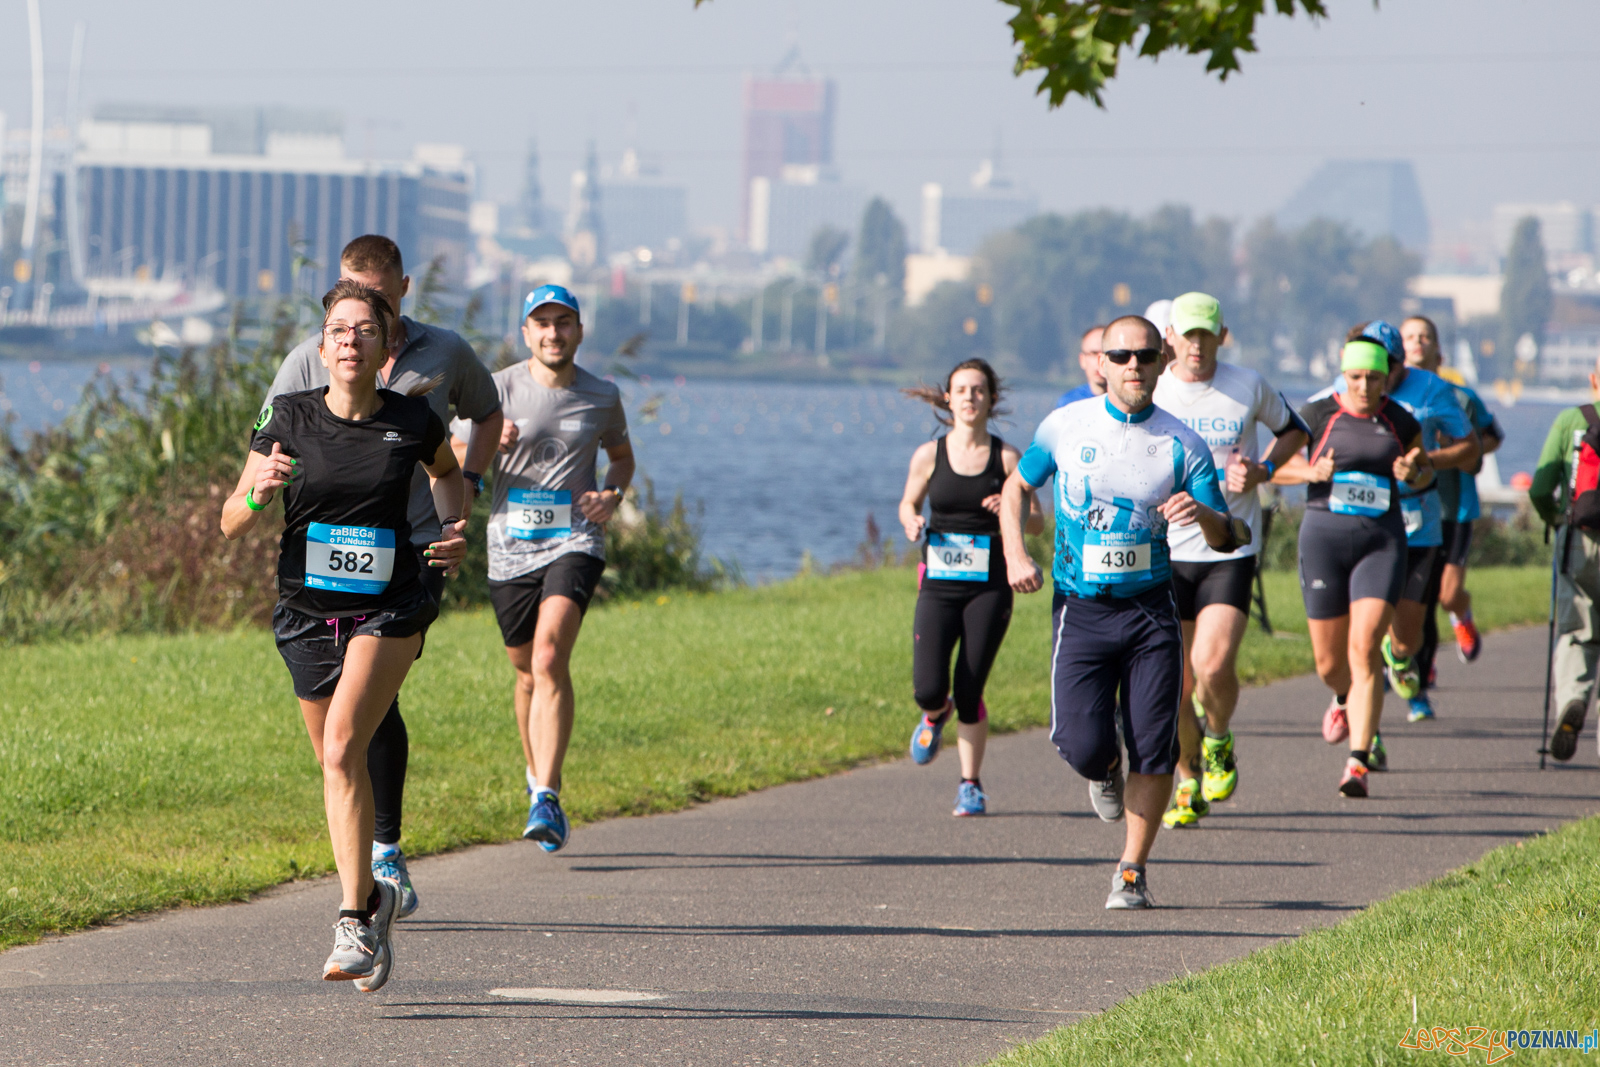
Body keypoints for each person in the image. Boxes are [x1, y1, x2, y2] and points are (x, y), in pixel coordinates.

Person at [222, 280, 468, 988]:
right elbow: (230, 519)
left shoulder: (413, 419)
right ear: (322, 346)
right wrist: (258, 492)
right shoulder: (288, 418)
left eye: (365, 329)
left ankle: (352, 924)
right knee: (337, 767)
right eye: (338, 329)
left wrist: (453, 533)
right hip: (303, 616)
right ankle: (377, 900)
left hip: (389, 608)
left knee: (340, 747)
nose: (350, 340)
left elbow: (448, 478)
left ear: (387, 343)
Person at [261, 235, 503, 919]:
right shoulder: (311, 358)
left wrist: (466, 493)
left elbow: (485, 413)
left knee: (368, 700)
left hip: (417, 550)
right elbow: (269, 444)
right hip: (326, 564)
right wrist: (260, 491)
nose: (359, 312)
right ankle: (373, 882)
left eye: (375, 295)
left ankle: (383, 851)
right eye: (346, 293)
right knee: (356, 711)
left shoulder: (445, 352)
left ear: (403, 288)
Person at [999, 315, 1248, 909]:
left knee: (1155, 743)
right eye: (1120, 356)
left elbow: (1226, 535)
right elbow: (1016, 487)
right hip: (1080, 610)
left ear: (1163, 361)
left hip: (1149, 613)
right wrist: (1015, 552)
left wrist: (1204, 514)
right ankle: (1104, 764)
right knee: (1078, 742)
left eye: (1143, 355)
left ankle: (1131, 869)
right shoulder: (1066, 426)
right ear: (1101, 364)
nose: (1132, 366)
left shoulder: (1182, 443)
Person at [451, 284, 633, 850]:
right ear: (526, 333)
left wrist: (612, 495)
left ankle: (548, 796)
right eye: (542, 324)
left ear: (580, 331)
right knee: (527, 671)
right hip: (508, 546)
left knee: (551, 654)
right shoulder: (497, 389)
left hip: (574, 539)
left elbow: (622, 458)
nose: (553, 333)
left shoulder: (602, 395)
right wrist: (486, 445)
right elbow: (449, 454)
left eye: (564, 322)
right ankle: (537, 783)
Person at [1151, 293, 1309, 827]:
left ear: (1223, 336)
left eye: (1206, 334)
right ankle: (1188, 777)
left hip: (1229, 547)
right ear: (1170, 335)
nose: (1196, 346)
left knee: (1211, 666)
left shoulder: (1248, 385)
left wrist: (1262, 471)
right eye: (1187, 334)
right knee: (1170, 681)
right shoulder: (1152, 388)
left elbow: (1294, 431)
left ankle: (1217, 738)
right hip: (1162, 552)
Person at [1275, 339, 1430, 797]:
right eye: (1357, 377)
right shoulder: (1318, 414)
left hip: (1380, 544)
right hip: (1323, 543)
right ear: (1344, 375)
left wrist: (1414, 472)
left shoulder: (1401, 421)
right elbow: (1272, 466)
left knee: (1363, 650)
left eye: (1375, 378)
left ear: (1386, 380)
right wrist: (1308, 474)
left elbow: (1424, 475)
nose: (1365, 386)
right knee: (1329, 663)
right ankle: (1345, 699)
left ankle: (1357, 761)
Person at [898, 359, 1043, 816]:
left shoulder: (1007, 458)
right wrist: (911, 521)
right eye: (961, 390)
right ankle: (932, 713)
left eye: (978, 390)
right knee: (928, 687)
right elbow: (907, 501)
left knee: (970, 689)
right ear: (948, 398)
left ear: (991, 399)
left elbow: (1038, 521)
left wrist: (1012, 507)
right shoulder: (928, 455)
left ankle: (970, 785)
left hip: (990, 587)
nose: (969, 398)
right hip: (938, 585)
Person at [1314, 321, 1478, 724]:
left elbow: (1470, 448)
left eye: (1388, 365)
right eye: (1370, 366)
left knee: (1407, 635)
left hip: (1416, 520)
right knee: (1359, 637)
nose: (1376, 377)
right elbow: (1305, 433)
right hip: (1360, 524)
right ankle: (1362, 730)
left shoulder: (1432, 390)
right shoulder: (1345, 385)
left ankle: (1400, 657)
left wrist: (1426, 460)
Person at [1401, 316, 1503, 667]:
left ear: (1438, 352)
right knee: (1421, 597)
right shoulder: (1387, 398)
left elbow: (1492, 437)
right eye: (1410, 336)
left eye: (1425, 336)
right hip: (1412, 508)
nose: (1418, 342)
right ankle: (1421, 671)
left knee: (1447, 594)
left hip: (1455, 507)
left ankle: (1462, 613)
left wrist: (1461, 450)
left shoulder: (1462, 398)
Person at [1528, 351, 1600, 761]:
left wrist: (1555, 519)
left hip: (1578, 537)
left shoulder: (1573, 419)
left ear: (1594, 379)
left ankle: (1573, 699)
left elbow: (1540, 487)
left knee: (1578, 628)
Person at [1055, 325, 1106, 407]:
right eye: (1094, 354)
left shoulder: (1128, 403)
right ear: (1082, 360)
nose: (1100, 361)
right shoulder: (1068, 403)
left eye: (1105, 353)